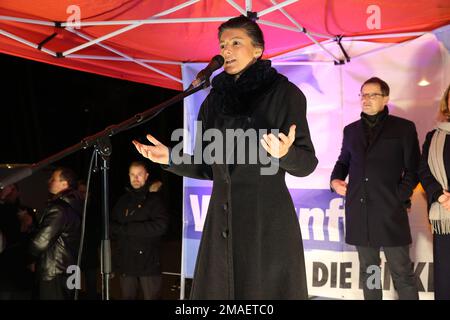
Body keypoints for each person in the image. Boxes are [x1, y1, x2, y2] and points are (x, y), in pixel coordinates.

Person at [133, 15, 318, 299]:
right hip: (223, 219)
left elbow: (307, 164)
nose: (226, 50)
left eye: (235, 43)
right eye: (223, 44)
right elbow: (208, 167)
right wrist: (170, 158)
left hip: (266, 221)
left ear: (257, 50)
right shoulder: (213, 101)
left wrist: (286, 153)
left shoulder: (284, 94)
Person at [330, 77, 420, 300]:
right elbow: (343, 162)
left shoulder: (404, 128)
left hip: (390, 214)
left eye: (373, 95)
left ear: (386, 98)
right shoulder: (350, 131)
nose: (366, 99)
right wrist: (335, 181)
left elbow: (414, 169)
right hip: (360, 214)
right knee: (369, 272)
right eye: (363, 94)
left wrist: (399, 196)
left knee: (402, 273)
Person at [110, 161, 169, 300]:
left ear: (146, 176)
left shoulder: (155, 200)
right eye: (132, 175)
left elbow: (161, 226)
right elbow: (112, 225)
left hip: (148, 265)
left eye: (139, 175)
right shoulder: (122, 200)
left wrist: (126, 228)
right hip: (126, 264)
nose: (136, 178)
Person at [29, 167, 82, 300]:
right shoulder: (76, 205)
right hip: (71, 270)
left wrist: (28, 257)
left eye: (53, 179)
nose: (49, 181)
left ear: (65, 184)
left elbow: (40, 242)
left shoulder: (59, 208)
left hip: (54, 273)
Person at [418, 84, 450, 300]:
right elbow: (423, 170)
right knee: (445, 275)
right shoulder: (433, 136)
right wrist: (439, 194)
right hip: (444, 215)